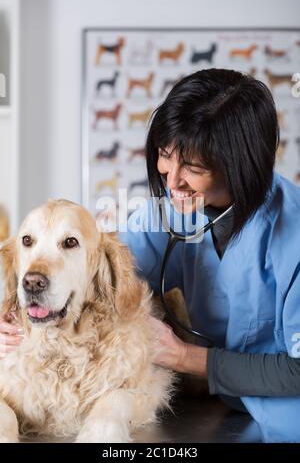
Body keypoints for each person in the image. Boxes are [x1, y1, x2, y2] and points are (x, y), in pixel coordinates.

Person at [1, 68, 300, 442]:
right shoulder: (170, 212)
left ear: (242, 165)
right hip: (216, 406)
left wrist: (184, 357)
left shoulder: (293, 236)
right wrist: (15, 319)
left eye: (193, 166)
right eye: (164, 155)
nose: (171, 180)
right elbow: (104, 279)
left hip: (286, 417)